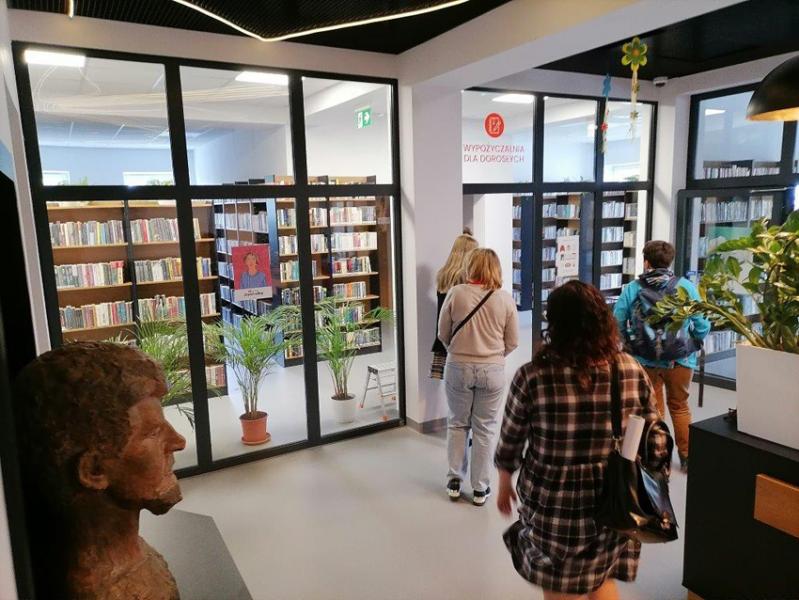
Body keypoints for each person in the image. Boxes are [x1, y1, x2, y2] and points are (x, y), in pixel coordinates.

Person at [495, 281, 671, 600]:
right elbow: (655, 432)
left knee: (561, 585)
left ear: (555, 325)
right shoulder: (629, 369)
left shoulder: (532, 376)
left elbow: (512, 437)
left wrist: (505, 482)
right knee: (601, 576)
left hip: (553, 502)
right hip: (614, 498)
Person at [13, 342, 187, 599]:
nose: (178, 442)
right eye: (152, 433)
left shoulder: (134, 560)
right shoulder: (97, 591)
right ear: (94, 471)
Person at [613, 240, 710, 470]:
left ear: (646, 262)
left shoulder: (633, 288)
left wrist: (629, 344)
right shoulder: (686, 287)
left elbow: (617, 320)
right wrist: (692, 342)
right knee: (680, 406)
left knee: (653, 409)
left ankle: (658, 454)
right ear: (670, 261)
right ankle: (687, 457)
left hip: (645, 360)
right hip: (680, 360)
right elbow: (702, 323)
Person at [438, 247, 518, 505]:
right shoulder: (505, 299)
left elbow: (442, 333)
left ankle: (454, 480)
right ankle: (480, 489)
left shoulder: (456, 293)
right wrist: (493, 356)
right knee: (484, 428)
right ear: (495, 269)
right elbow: (513, 341)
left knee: (457, 423)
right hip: (492, 371)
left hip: (458, 367)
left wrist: (458, 350)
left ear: (470, 267)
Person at [430, 230, 479, 379]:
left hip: (443, 337)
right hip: (463, 341)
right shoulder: (464, 280)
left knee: (451, 383)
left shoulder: (443, 275)